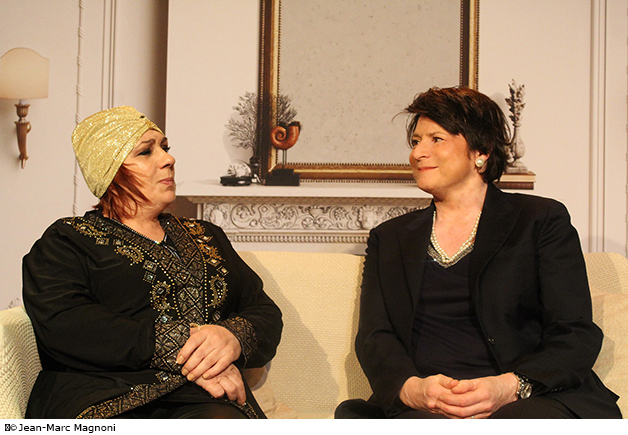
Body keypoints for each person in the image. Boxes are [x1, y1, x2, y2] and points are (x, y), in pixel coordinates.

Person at [335, 87, 621, 419]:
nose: (417, 153)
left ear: (480, 151)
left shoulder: (540, 220)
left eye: (436, 139)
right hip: (426, 407)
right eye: (415, 142)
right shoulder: (389, 238)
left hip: (525, 399)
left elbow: (574, 332)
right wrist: (413, 389)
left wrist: (509, 387)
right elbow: (375, 335)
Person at [22, 106, 282, 419]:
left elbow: (264, 312)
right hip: (105, 396)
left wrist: (231, 338)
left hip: (206, 400)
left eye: (165, 147)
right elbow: (66, 324)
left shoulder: (206, 236)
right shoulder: (68, 241)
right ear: (109, 170)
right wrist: (188, 348)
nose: (168, 159)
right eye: (146, 151)